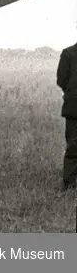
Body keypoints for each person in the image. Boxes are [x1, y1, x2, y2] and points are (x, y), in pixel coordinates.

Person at [57, 41, 77, 191]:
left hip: (73, 107)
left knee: (73, 147)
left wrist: (71, 93)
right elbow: (62, 81)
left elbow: (62, 80)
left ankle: (70, 185)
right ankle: (69, 185)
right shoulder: (68, 53)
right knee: (73, 147)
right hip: (74, 108)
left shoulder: (68, 53)